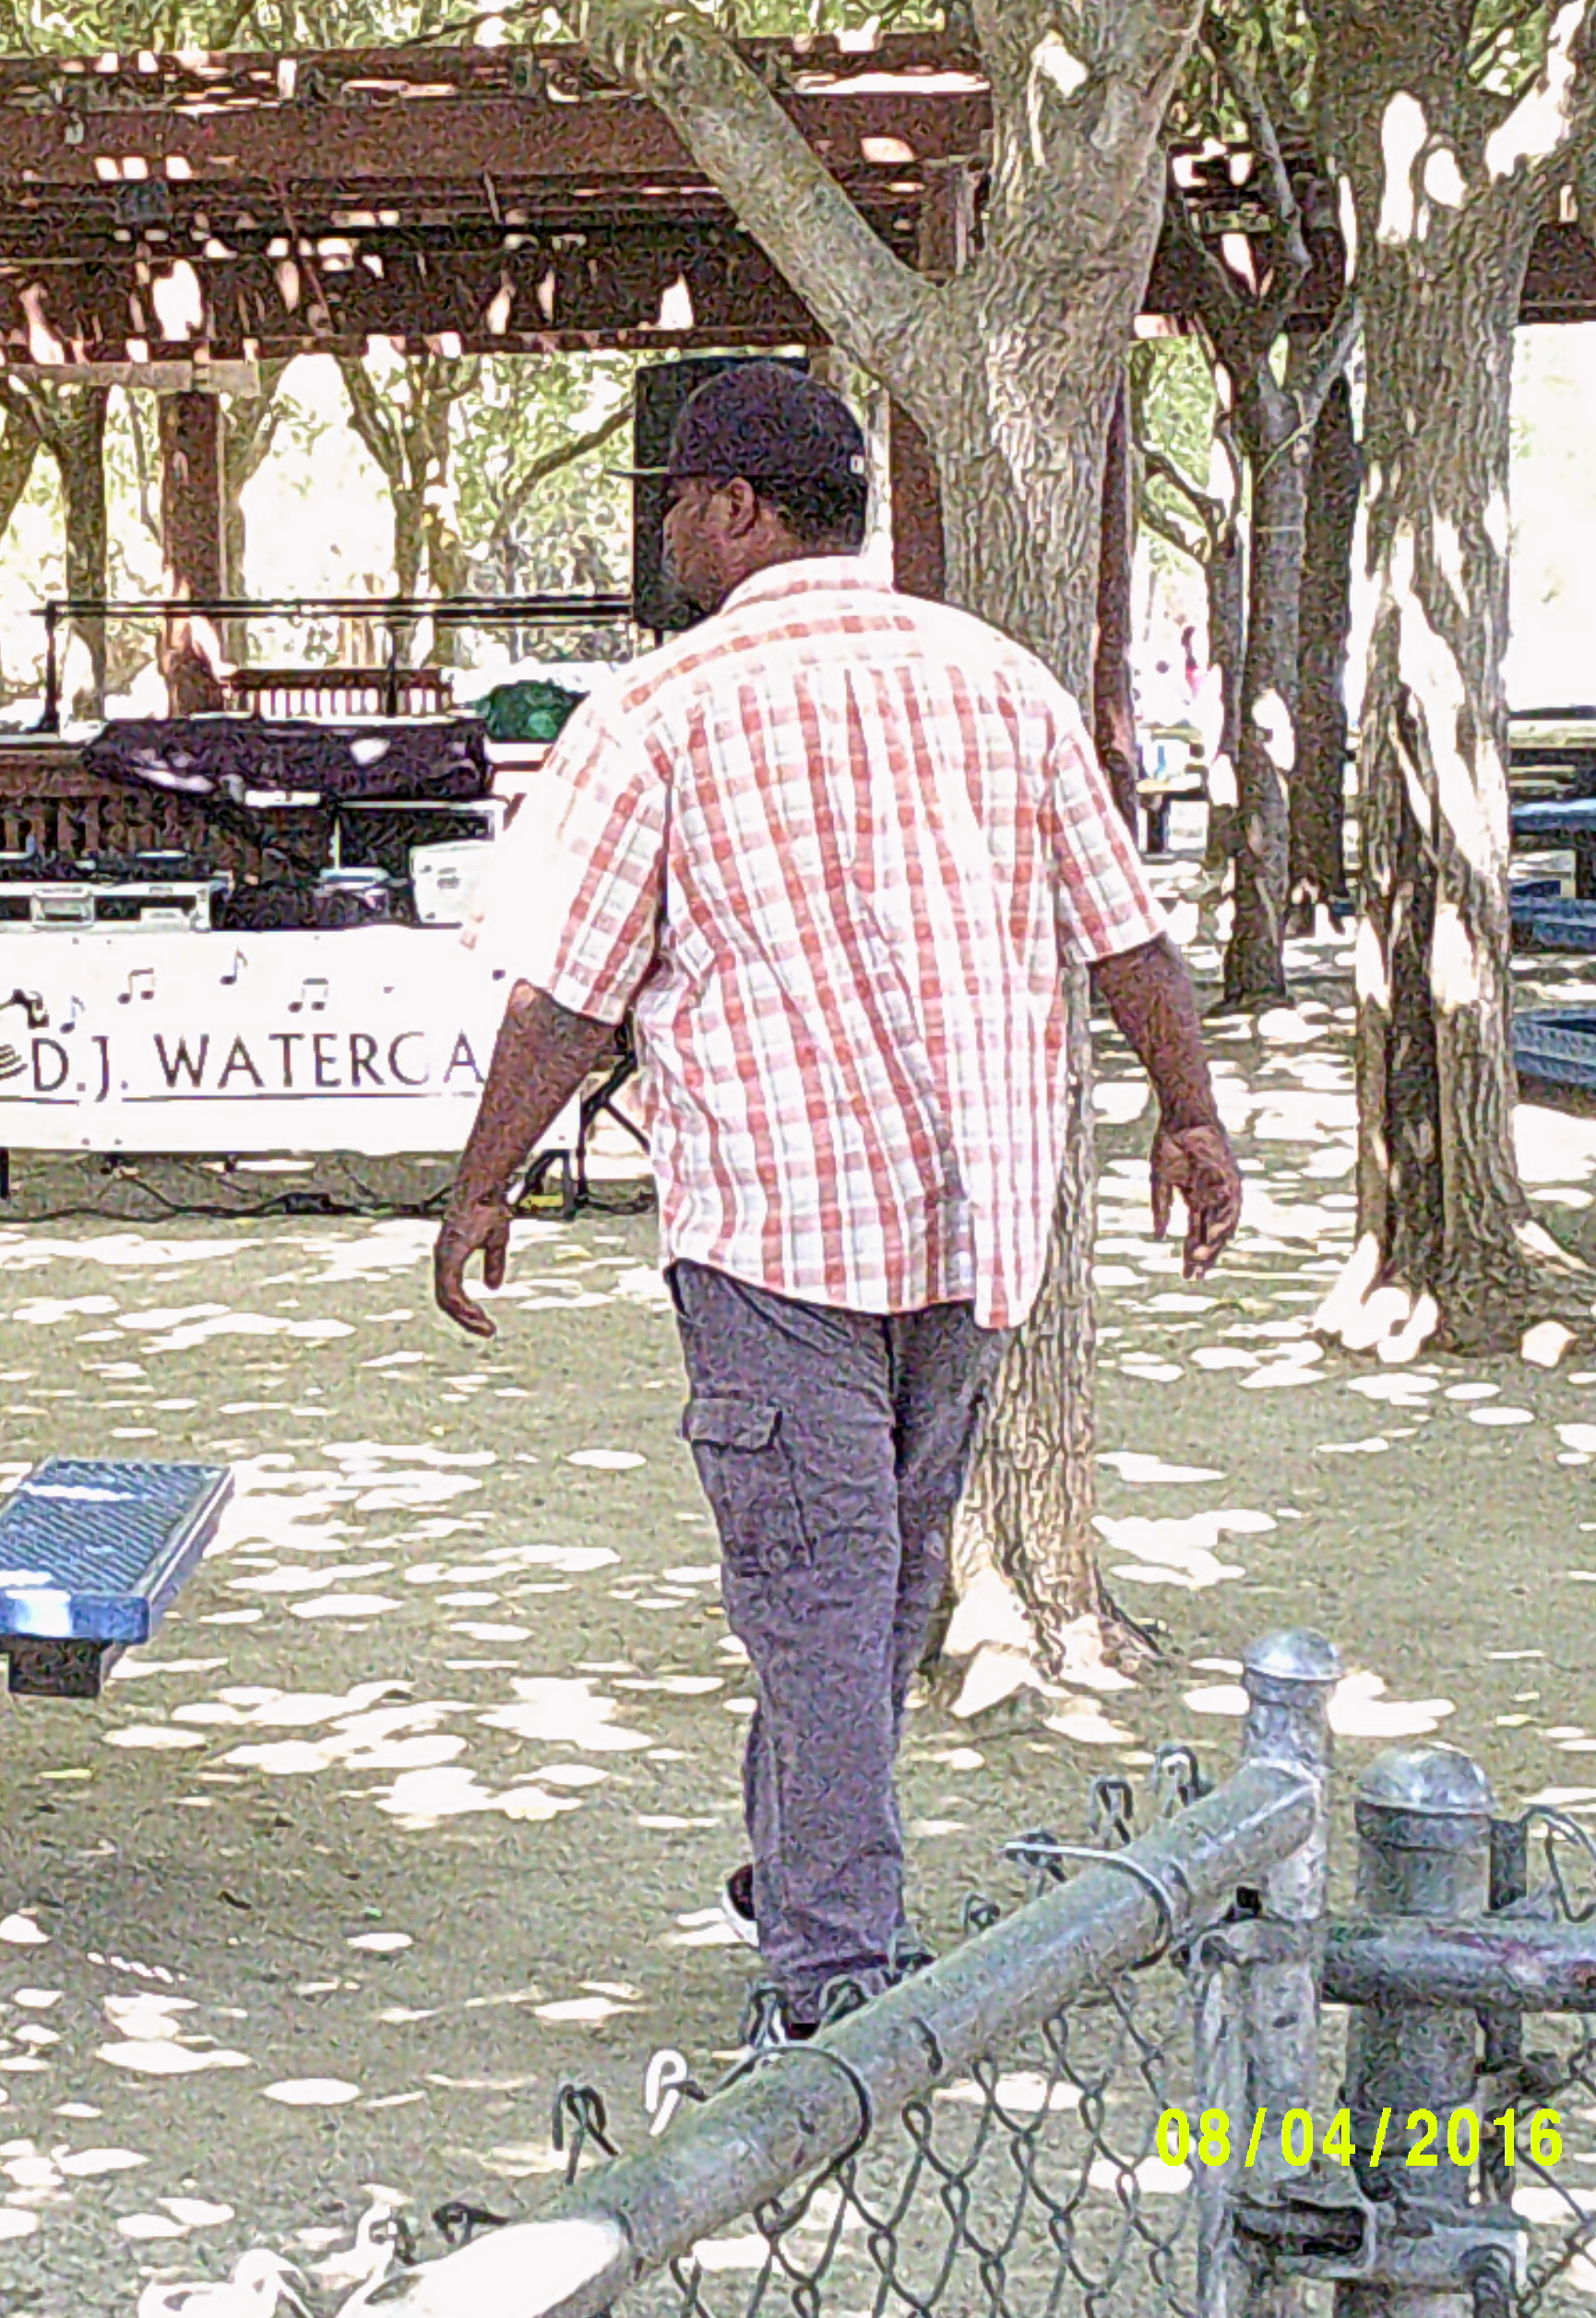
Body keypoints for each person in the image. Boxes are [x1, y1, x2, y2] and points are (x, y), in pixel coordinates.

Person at [433, 364, 1241, 2037]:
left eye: (674, 501)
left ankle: (829, 1973)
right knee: (871, 1588)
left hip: (775, 1232)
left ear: (736, 508)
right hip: (973, 1220)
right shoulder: (997, 679)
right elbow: (1127, 938)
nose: (666, 532)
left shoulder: (653, 713)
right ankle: (804, 1871)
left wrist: (479, 1186)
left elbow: (565, 1000)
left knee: (821, 1598)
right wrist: (1192, 1116)